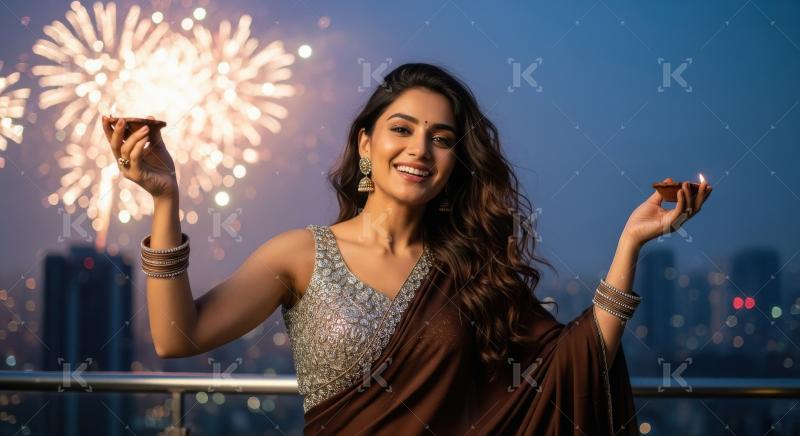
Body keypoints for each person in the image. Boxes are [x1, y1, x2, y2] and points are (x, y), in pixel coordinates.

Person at [102, 62, 712, 435]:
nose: (419, 149)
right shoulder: (299, 254)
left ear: (455, 163)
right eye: (402, 129)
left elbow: (567, 367)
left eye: (441, 138)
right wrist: (165, 200)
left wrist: (631, 242)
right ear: (366, 143)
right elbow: (175, 337)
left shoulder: (470, 269)